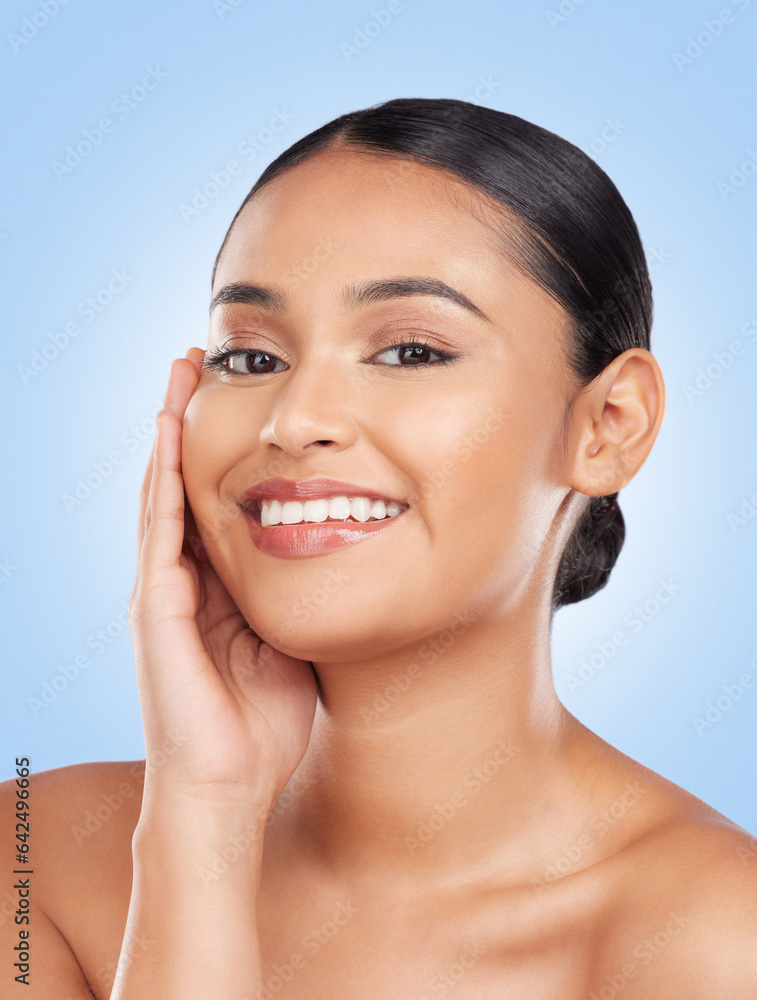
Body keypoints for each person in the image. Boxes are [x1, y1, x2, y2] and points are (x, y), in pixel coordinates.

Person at [2, 97, 755, 999]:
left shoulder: (715, 940)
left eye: (408, 351)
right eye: (248, 358)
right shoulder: (30, 861)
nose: (295, 419)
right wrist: (203, 816)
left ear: (606, 426)